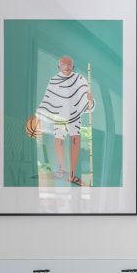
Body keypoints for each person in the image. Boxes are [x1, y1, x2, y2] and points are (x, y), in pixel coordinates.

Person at [29, 56, 94, 186]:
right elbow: (47, 99)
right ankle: (60, 170)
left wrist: (90, 101)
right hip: (59, 115)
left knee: (75, 139)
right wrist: (39, 114)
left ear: (73, 67)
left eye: (69, 65)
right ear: (59, 67)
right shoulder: (53, 81)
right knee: (59, 140)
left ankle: (72, 174)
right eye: (63, 65)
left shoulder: (80, 79)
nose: (66, 68)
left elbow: (87, 101)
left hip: (75, 115)